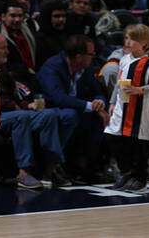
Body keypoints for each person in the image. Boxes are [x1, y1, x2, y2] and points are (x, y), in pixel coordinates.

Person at [0, 31, 75, 188]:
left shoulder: (2, 69)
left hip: (8, 112)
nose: (7, 51)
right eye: (3, 48)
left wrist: (25, 105)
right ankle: (24, 173)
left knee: (47, 115)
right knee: (21, 118)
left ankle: (50, 169)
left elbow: (14, 97)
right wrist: (15, 107)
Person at [37, 35, 110, 179]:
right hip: (47, 110)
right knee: (70, 115)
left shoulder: (86, 68)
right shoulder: (52, 67)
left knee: (97, 119)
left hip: (75, 109)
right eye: (90, 54)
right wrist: (92, 106)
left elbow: (98, 92)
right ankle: (52, 164)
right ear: (78, 57)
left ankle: (82, 165)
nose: (93, 57)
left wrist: (99, 102)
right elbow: (58, 98)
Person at [105, 24, 149, 192]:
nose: (128, 42)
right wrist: (112, 102)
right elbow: (118, 85)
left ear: (144, 43)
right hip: (122, 106)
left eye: (133, 39)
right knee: (112, 138)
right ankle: (126, 172)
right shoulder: (124, 59)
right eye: (127, 38)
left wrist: (139, 90)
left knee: (137, 144)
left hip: (140, 110)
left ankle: (140, 177)